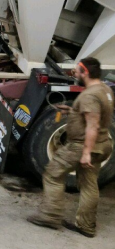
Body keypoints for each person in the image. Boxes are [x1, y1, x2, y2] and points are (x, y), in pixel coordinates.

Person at [28, 57, 114, 237]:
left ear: (86, 73)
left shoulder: (89, 95)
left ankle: (49, 216)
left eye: (77, 71)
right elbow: (95, 115)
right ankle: (86, 225)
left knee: (52, 173)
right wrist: (72, 111)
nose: (74, 74)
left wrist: (86, 153)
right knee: (89, 183)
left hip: (83, 146)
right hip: (103, 143)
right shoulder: (104, 89)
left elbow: (92, 124)